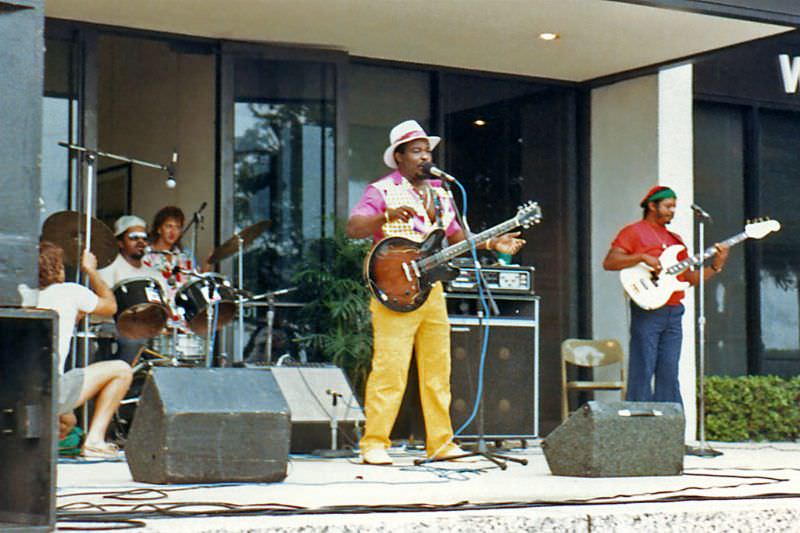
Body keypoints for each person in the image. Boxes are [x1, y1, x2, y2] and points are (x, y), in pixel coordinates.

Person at [347, 119, 525, 465]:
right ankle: (374, 443)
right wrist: (383, 216)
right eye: (416, 151)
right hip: (393, 290)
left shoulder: (442, 194)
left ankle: (440, 443)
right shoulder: (381, 190)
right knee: (390, 369)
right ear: (398, 157)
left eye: (427, 150)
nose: (425, 156)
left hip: (431, 291)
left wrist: (491, 242)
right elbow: (354, 227)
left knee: (438, 369)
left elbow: (458, 240)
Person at [602, 186, 729, 404]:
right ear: (652, 206)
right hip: (648, 309)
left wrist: (716, 266)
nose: (672, 211)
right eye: (668, 206)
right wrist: (642, 257)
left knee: (669, 370)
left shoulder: (675, 240)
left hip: (674, 310)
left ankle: (669, 423)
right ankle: (638, 422)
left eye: (674, 207)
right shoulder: (633, 232)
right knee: (643, 366)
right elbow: (610, 262)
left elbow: (689, 279)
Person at [36, 240, 133, 458]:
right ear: (58, 269)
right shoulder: (69, 292)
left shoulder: (21, 295)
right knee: (122, 370)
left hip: (20, 391)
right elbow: (111, 307)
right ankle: (95, 441)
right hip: (52, 390)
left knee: (68, 421)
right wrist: (91, 270)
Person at [98, 215, 163, 365]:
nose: (141, 242)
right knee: (134, 340)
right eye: (134, 237)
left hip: (148, 327)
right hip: (115, 326)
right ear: (120, 242)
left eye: (144, 238)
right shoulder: (109, 269)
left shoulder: (155, 275)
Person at [143, 206, 200, 303]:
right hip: (157, 310)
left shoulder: (185, 255)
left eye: (177, 227)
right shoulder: (146, 255)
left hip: (184, 311)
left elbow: (194, 283)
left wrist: (208, 263)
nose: (173, 232)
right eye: (169, 226)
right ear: (159, 229)